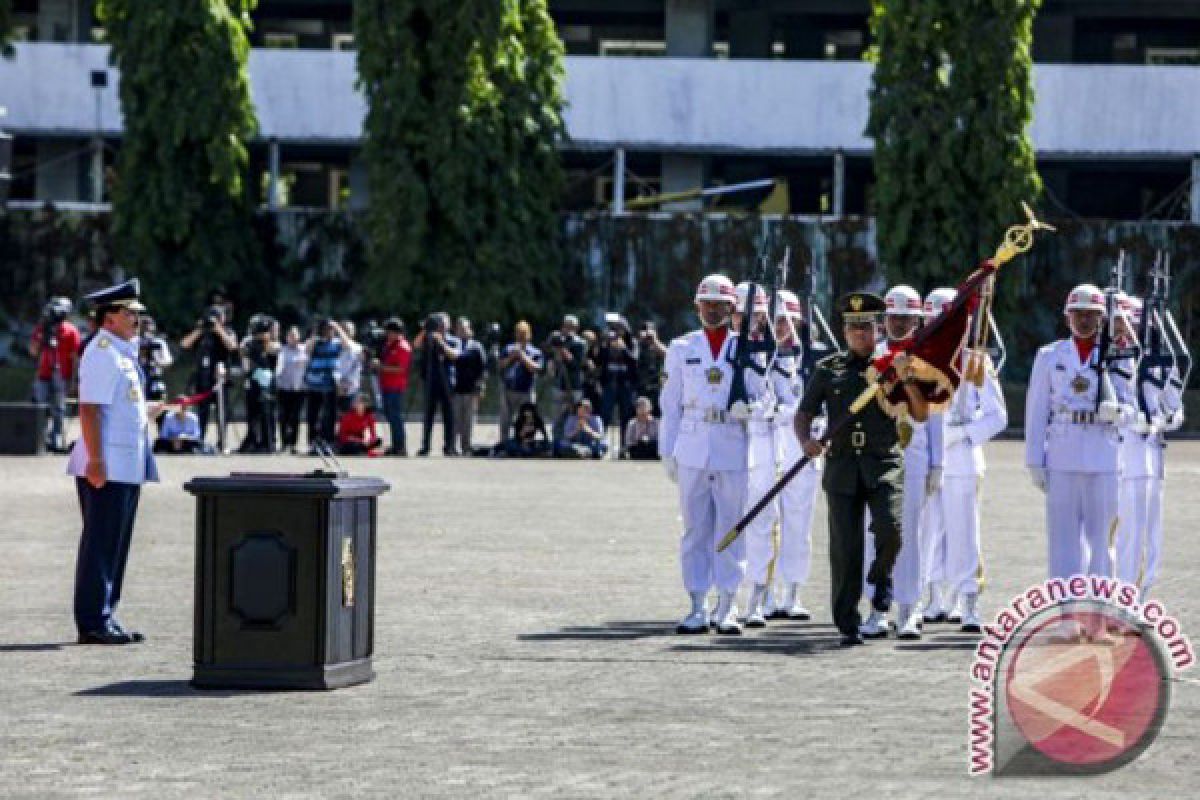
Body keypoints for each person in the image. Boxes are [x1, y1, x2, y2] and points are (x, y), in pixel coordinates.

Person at [795, 291, 930, 647]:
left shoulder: (895, 365)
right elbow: (804, 412)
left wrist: (909, 380)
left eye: (866, 327)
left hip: (882, 462)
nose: (859, 334)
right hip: (841, 466)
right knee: (845, 548)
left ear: (879, 328)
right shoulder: (829, 370)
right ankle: (847, 621)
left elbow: (920, 413)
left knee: (891, 529)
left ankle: (881, 576)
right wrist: (806, 441)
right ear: (844, 331)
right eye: (853, 327)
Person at [66, 278, 161, 645]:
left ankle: (106, 613)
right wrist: (96, 461)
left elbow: (119, 407)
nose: (136, 319)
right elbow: (90, 410)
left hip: (127, 465)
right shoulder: (102, 351)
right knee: (101, 544)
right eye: (129, 312)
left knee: (115, 544)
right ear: (109, 318)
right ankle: (92, 621)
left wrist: (147, 410)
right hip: (107, 465)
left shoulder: (122, 351)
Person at [1026, 284, 1135, 597]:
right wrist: (1034, 459)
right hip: (1062, 453)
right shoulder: (1050, 356)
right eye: (1078, 314)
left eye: (1092, 314)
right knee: (1062, 541)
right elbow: (1037, 410)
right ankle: (1065, 613)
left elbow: (1133, 407)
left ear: (1102, 319)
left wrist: (1118, 412)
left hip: (1104, 455)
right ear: (1067, 317)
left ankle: (1099, 612)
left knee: (1102, 542)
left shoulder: (1117, 356)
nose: (1084, 320)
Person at [659, 273, 751, 636]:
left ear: (732, 309)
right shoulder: (682, 348)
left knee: (731, 525)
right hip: (693, 443)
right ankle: (697, 604)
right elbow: (670, 405)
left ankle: (727, 605)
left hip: (731, 440)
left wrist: (753, 408)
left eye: (721, 305)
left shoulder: (744, 347)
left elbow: (765, 396)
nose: (713, 310)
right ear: (696, 307)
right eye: (707, 304)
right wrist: (668, 451)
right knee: (695, 528)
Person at [920, 288, 1007, 633]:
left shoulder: (976, 362)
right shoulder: (918, 361)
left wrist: (963, 434)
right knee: (928, 532)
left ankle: (968, 600)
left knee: (964, 533)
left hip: (962, 457)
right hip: (927, 458)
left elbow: (997, 416)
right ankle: (932, 597)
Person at [861, 285, 944, 640]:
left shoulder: (928, 359)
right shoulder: (869, 357)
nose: (898, 324)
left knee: (910, 534)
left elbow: (936, 414)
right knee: (873, 535)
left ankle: (909, 609)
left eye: (905, 318)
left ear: (918, 320)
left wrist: (937, 463)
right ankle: (877, 608)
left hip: (913, 453)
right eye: (893, 317)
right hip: (875, 456)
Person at [731, 281, 797, 629]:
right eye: (744, 315)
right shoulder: (716, 348)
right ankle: (722, 598)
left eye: (756, 316)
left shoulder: (773, 353)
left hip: (762, 445)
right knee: (724, 520)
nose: (750, 323)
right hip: (724, 445)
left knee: (761, 522)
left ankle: (757, 596)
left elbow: (791, 399)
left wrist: (768, 409)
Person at [1114, 293, 1182, 598]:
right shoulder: (1108, 360)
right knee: (1115, 533)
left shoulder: (1161, 363)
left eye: (1133, 323)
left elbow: (1176, 410)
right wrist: (1129, 418)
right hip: (1115, 454)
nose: (1126, 330)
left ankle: (1138, 595)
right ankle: (1113, 591)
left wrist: (1160, 421)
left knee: (1146, 533)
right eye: (1122, 323)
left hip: (1149, 458)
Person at [759, 289, 821, 622]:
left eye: (786, 320)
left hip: (805, 447)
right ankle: (764, 593)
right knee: (768, 521)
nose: (780, 327)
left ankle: (793, 592)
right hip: (770, 445)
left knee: (799, 522)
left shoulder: (814, 358)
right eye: (775, 320)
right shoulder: (758, 355)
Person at [180, 303, 237, 449]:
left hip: (220, 378)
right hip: (202, 378)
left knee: (221, 413)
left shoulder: (228, 331)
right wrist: (199, 330)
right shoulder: (202, 333)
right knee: (202, 412)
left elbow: (232, 346)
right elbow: (185, 344)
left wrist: (219, 330)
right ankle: (200, 440)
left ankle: (222, 442)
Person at [29, 296, 82, 452]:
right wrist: (42, 338)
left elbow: (75, 359)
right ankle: (39, 438)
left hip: (62, 375)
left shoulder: (71, 331)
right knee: (40, 406)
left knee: (59, 408)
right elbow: (33, 352)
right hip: (43, 374)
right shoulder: (42, 328)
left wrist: (74, 381)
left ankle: (56, 438)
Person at [413, 312, 461, 456]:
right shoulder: (427, 338)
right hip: (431, 381)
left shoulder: (453, 340)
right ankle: (425, 446)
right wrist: (425, 329)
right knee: (428, 414)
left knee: (449, 415)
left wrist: (441, 343)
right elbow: (415, 345)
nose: (439, 326)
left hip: (447, 381)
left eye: (441, 323)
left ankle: (449, 446)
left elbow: (455, 355)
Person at [303, 318, 354, 451]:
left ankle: (328, 440)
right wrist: (315, 333)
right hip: (314, 383)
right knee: (313, 414)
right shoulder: (315, 342)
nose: (328, 331)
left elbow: (347, 345)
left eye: (330, 329)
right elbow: (307, 350)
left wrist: (337, 327)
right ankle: (313, 442)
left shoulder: (337, 343)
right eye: (326, 329)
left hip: (331, 384)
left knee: (330, 415)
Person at [498, 321, 544, 444]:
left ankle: (524, 444)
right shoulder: (508, 348)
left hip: (526, 391)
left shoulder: (535, 352)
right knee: (505, 420)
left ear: (529, 335)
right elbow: (501, 365)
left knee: (526, 419)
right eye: (518, 333)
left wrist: (523, 356)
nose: (520, 336)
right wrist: (512, 357)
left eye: (523, 333)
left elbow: (536, 368)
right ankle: (504, 443)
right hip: (508, 389)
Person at [451, 317, 488, 455]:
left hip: (471, 390)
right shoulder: (453, 345)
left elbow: (483, 369)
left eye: (464, 328)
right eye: (459, 329)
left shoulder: (476, 346)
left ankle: (466, 447)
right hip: (456, 390)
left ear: (470, 330)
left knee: (468, 421)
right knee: (455, 420)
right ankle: (452, 447)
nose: (462, 331)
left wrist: (481, 387)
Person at [597, 322, 638, 445]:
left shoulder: (631, 343)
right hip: (609, 383)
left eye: (621, 329)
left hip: (625, 385)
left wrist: (623, 349)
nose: (618, 332)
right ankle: (601, 444)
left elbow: (634, 360)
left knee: (625, 416)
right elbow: (600, 359)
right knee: (605, 414)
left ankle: (624, 446)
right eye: (616, 329)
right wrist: (606, 345)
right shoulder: (608, 342)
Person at [376, 318, 412, 456]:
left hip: (395, 387)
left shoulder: (402, 347)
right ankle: (396, 444)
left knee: (395, 416)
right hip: (386, 385)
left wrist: (381, 367)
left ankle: (400, 446)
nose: (387, 334)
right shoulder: (389, 345)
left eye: (389, 331)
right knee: (390, 415)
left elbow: (401, 369)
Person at [547, 314, 588, 425]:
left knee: (573, 416)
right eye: (566, 326)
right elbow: (548, 354)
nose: (568, 329)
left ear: (576, 328)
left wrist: (564, 351)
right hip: (559, 383)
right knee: (557, 417)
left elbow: (577, 365)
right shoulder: (557, 339)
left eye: (571, 327)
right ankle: (556, 439)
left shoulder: (580, 343)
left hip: (574, 385)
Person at [275, 325, 309, 454]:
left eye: (295, 335)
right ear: (287, 337)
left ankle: (293, 444)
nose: (293, 338)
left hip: (299, 388)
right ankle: (284, 443)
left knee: (295, 417)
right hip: (284, 388)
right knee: (284, 416)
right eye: (290, 335)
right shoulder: (282, 350)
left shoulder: (304, 349)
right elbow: (278, 368)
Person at [136, 315, 173, 405]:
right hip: (137, 379)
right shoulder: (134, 342)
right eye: (143, 325)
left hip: (155, 379)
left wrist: (157, 361)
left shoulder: (158, 342)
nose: (146, 328)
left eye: (149, 325)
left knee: (157, 407)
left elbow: (168, 361)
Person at [635, 321, 667, 416]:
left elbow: (668, 355)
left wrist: (654, 341)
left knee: (657, 414)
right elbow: (633, 358)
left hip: (656, 386)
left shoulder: (658, 345)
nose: (648, 334)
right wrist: (640, 340)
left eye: (650, 330)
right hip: (641, 386)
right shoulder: (637, 345)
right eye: (645, 330)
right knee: (640, 414)